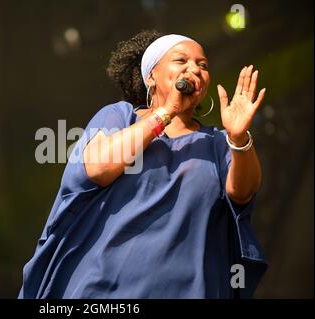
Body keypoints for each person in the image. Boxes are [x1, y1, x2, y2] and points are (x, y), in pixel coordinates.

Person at [18, 30, 268, 299]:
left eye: (203, 65)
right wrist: (166, 113)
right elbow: (97, 168)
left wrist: (238, 138)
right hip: (103, 293)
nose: (194, 69)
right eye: (181, 60)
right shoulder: (120, 117)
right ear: (151, 76)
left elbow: (242, 193)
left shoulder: (218, 143)